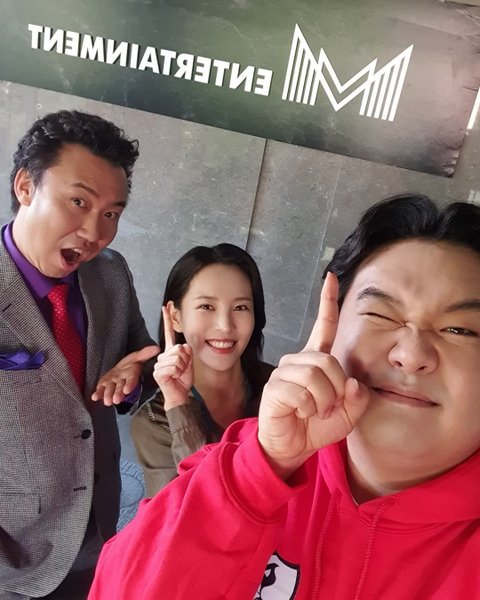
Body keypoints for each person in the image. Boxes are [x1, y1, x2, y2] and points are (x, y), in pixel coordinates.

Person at [89, 193, 480, 599]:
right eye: (380, 314)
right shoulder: (255, 450)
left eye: (462, 330)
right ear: (332, 324)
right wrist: (257, 470)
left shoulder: (275, 389)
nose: (411, 355)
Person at [0, 110, 158, 600]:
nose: (95, 232)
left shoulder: (110, 275)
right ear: (26, 187)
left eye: (111, 213)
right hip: (13, 558)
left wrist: (136, 377)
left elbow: (142, 359)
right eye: (78, 202)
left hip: (99, 530)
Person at [130, 243, 274, 495]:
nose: (225, 325)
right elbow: (193, 508)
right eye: (207, 306)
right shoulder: (154, 423)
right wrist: (179, 407)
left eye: (240, 307)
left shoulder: (277, 387)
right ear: (175, 317)